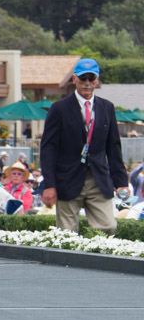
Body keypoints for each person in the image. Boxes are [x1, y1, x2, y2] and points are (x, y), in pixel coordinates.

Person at [39, 58, 128, 235]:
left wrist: (121, 182)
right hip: (67, 178)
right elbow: (48, 148)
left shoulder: (107, 107)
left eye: (91, 78)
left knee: (108, 227)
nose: (87, 83)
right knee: (66, 233)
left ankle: (96, 261)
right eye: (82, 78)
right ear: (74, 79)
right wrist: (48, 184)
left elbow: (113, 147)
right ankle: (68, 262)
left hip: (98, 178)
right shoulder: (59, 108)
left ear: (97, 80)